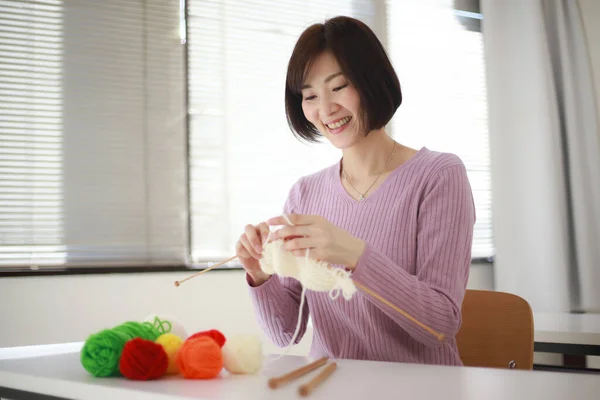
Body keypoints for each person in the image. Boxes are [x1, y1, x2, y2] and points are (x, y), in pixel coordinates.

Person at [235, 16, 476, 366]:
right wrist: (261, 275)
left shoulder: (438, 176)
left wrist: (354, 255)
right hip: (329, 386)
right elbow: (286, 334)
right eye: (310, 96)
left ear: (370, 81)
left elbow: (439, 325)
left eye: (338, 87)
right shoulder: (304, 193)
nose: (325, 109)